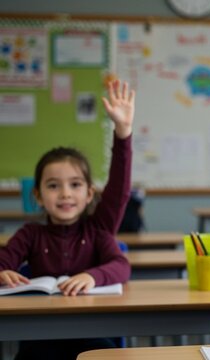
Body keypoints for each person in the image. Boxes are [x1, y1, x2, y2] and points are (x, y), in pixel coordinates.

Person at [0, 79, 135, 360]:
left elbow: (120, 266)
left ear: (89, 194)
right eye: (53, 186)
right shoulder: (30, 234)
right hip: (42, 335)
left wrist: (123, 133)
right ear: (37, 195)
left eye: (75, 185)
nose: (65, 194)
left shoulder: (98, 230)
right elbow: (2, 262)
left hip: (94, 334)